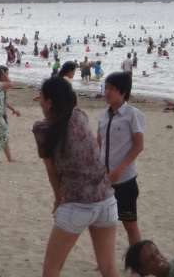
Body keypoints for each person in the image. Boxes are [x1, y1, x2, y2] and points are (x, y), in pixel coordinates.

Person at [32, 76, 120, 277]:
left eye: (41, 97)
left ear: (50, 102)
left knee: (52, 267)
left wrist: (58, 200)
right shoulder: (79, 115)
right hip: (107, 199)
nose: (39, 101)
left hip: (77, 203)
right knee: (108, 266)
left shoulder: (42, 129)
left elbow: (52, 172)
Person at [97, 71, 145, 247]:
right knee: (104, 223)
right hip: (104, 179)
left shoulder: (132, 114)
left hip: (125, 180)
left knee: (129, 224)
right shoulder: (103, 115)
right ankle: (106, 260)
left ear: (123, 91)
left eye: (112, 88)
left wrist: (119, 169)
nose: (106, 92)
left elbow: (139, 145)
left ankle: (138, 265)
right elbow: (98, 144)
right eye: (106, 87)